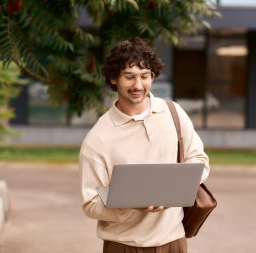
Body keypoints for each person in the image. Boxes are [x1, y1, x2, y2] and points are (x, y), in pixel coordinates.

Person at [79, 37, 210, 253]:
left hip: (173, 241)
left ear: (153, 76)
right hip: (124, 246)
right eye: (129, 77)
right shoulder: (98, 139)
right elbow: (90, 202)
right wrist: (130, 204)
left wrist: (173, 189)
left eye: (144, 76)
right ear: (114, 78)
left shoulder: (174, 113)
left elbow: (199, 160)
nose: (138, 85)